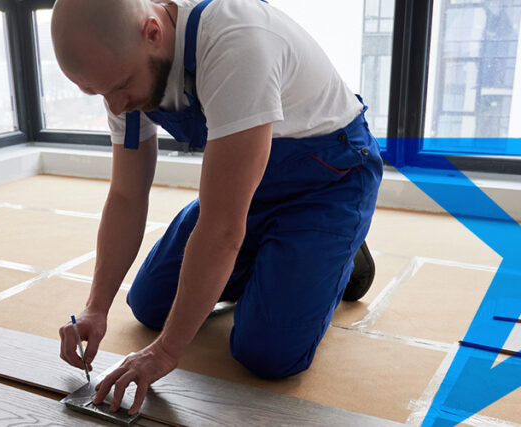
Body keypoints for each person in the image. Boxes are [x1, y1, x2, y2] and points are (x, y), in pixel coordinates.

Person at [51, 0, 382, 415]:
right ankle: (275, 257)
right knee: (150, 304)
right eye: (98, 93)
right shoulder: (122, 71)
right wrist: (96, 307)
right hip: (245, 188)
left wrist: (165, 353)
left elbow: (222, 228)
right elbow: (126, 195)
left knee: (268, 354)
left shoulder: (235, 43)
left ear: (152, 33)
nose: (115, 106)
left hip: (328, 183)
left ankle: (340, 255)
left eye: (118, 88)